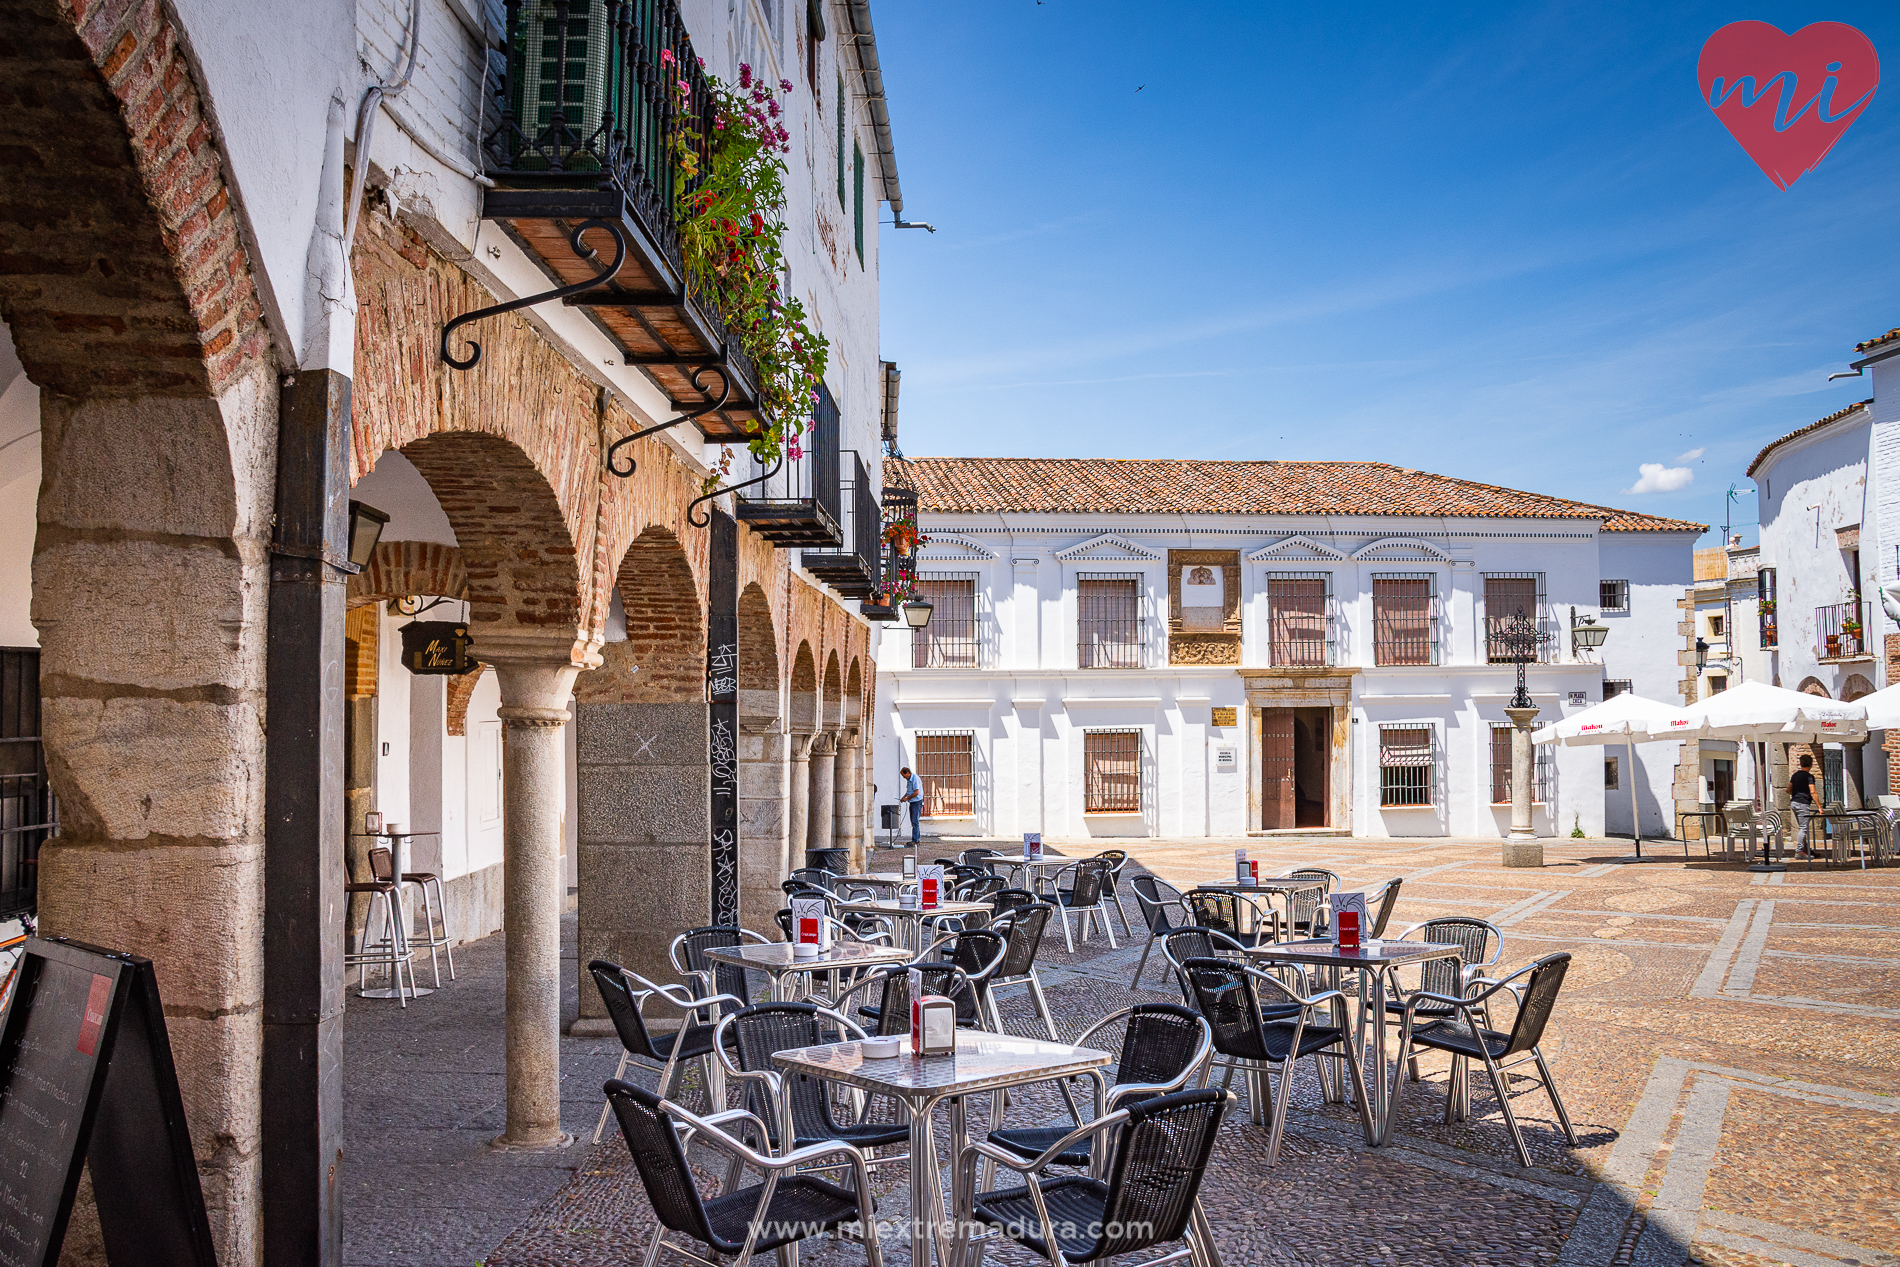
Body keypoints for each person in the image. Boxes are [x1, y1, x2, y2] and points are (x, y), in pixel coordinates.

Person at [1789, 753, 1817, 858]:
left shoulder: (1795, 775)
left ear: (1800, 764)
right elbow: (1813, 792)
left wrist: (1797, 794)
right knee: (1803, 828)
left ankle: (1805, 848)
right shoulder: (1809, 777)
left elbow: (1788, 789)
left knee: (1802, 827)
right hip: (1803, 804)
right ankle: (1800, 851)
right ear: (1811, 764)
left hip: (1794, 803)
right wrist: (1819, 806)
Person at [897, 765, 922, 845]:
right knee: (913, 821)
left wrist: (907, 799)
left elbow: (916, 792)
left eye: (904, 775)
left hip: (916, 802)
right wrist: (904, 797)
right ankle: (915, 839)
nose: (904, 777)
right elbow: (909, 791)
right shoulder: (909, 779)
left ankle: (916, 840)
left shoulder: (915, 779)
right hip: (912, 802)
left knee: (915, 821)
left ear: (907, 773)